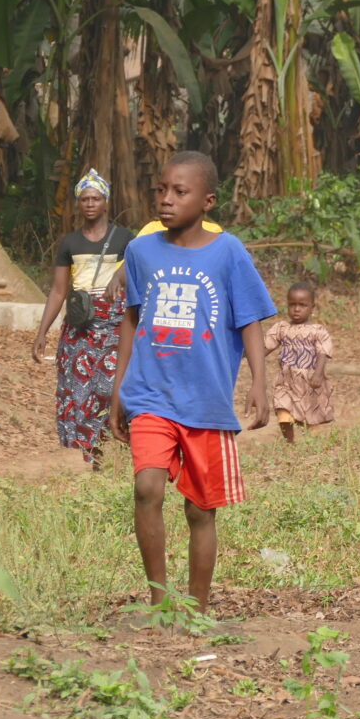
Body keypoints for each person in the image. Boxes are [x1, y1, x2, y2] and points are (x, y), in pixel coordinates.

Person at [110, 151, 273, 609]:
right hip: (149, 392)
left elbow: (251, 320)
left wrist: (260, 383)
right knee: (146, 488)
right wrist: (118, 390)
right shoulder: (140, 251)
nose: (166, 199)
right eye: (161, 190)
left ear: (207, 201)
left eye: (180, 192)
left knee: (201, 509)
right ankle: (160, 601)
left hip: (207, 400)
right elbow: (131, 320)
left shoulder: (229, 252)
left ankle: (197, 606)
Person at [33, 169, 133, 470]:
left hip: (115, 327)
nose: (90, 203)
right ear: (79, 203)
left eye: (96, 198)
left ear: (106, 202)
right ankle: (97, 459)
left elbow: (138, 271)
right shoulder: (70, 243)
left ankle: (121, 449)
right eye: (85, 198)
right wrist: (42, 333)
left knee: (110, 390)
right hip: (80, 331)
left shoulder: (125, 238)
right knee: (81, 393)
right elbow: (59, 290)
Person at [264, 281, 334, 443]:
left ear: (312, 307)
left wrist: (318, 374)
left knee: (310, 416)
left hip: (309, 381)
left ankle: (312, 447)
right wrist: (248, 354)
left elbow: (323, 352)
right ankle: (290, 443)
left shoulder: (317, 330)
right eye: (292, 304)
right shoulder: (281, 328)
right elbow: (265, 347)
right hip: (286, 380)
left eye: (302, 305)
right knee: (283, 410)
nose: (296, 309)